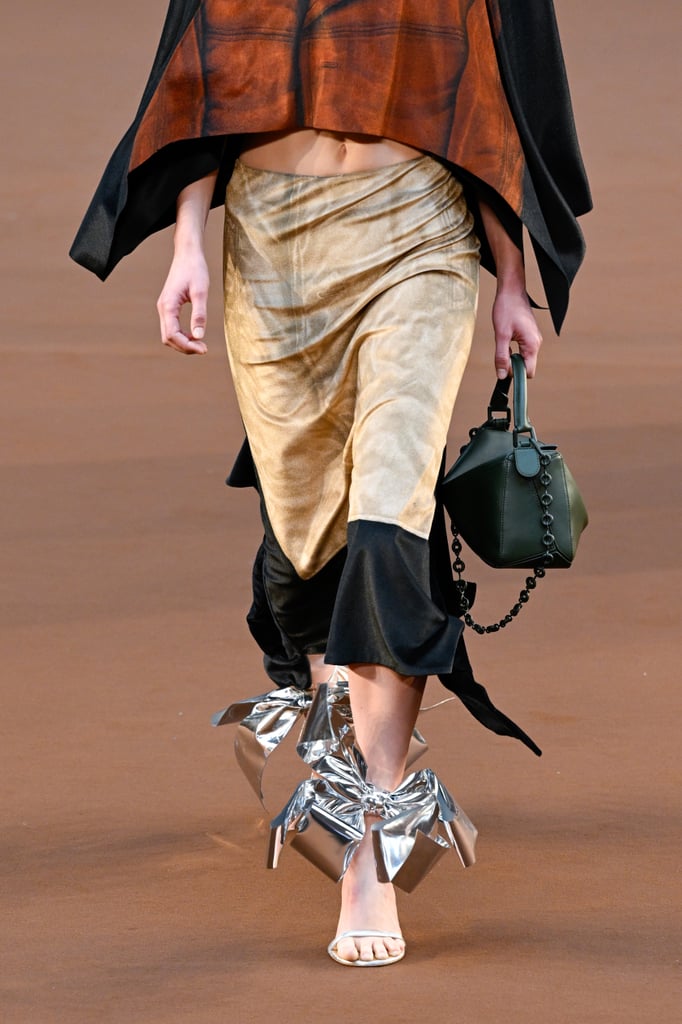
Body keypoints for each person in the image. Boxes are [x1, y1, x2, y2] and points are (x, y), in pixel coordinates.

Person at [71, 0, 591, 967]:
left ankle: (369, 851)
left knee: (389, 515)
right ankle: (349, 765)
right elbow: (202, 77)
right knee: (311, 539)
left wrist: (510, 277)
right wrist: (189, 240)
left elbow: (491, 96)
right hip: (272, 246)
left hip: (416, 228)